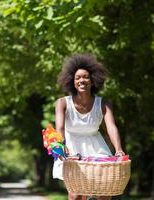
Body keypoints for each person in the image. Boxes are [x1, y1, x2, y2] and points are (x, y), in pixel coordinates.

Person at [53, 54, 125, 200]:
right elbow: (59, 128)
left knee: (104, 191)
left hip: (96, 148)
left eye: (85, 77)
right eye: (77, 78)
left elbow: (111, 126)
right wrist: (61, 146)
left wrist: (118, 149)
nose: (82, 81)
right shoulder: (62, 103)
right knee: (75, 194)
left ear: (92, 81)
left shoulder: (103, 103)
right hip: (71, 148)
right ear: (72, 82)